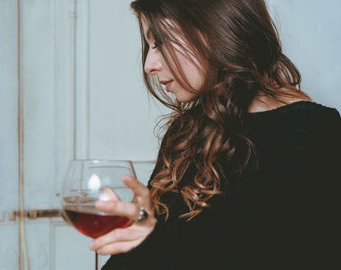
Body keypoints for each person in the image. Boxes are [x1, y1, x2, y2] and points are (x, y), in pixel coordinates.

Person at [89, 0, 341, 269]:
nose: (149, 65)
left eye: (160, 42)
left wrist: (152, 246)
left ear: (212, 30)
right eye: (149, 46)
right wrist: (139, 239)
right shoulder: (187, 132)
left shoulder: (315, 134)